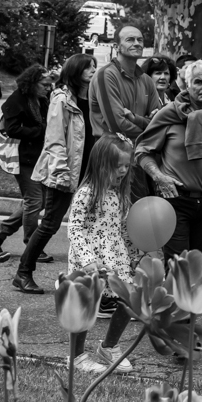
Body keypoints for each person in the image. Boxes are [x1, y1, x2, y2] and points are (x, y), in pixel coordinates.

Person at [134, 61, 202, 259]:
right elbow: (142, 151)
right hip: (174, 200)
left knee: (196, 266)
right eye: (198, 82)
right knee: (177, 264)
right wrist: (159, 176)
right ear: (187, 85)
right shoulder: (169, 114)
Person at [12, 54, 97, 294]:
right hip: (66, 171)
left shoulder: (92, 98)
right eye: (88, 67)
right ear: (75, 70)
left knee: (88, 225)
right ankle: (23, 273)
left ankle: (82, 276)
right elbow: (55, 139)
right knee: (50, 223)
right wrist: (61, 172)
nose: (93, 70)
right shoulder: (62, 99)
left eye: (94, 67)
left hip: (88, 172)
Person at [64, 135, 141, 374]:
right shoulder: (87, 193)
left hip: (115, 257)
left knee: (130, 298)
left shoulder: (119, 194)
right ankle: (76, 357)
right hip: (89, 260)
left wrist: (134, 255)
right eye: (118, 166)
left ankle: (108, 347)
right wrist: (87, 260)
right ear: (100, 164)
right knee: (85, 306)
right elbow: (74, 227)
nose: (123, 171)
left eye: (127, 166)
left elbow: (124, 228)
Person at [0, 65, 52, 260]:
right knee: (35, 201)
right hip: (23, 158)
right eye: (44, 84)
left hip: (38, 157)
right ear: (32, 83)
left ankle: (0, 231)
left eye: (49, 85)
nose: (47, 88)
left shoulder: (40, 99)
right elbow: (12, 129)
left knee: (38, 202)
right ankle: (32, 246)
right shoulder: (16, 100)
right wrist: (40, 132)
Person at [88, 23, 162, 143]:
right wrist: (149, 129)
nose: (137, 43)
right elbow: (117, 126)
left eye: (140, 40)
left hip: (141, 153)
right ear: (116, 47)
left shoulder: (147, 80)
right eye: (130, 40)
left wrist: (135, 119)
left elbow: (159, 122)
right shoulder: (106, 75)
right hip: (111, 153)